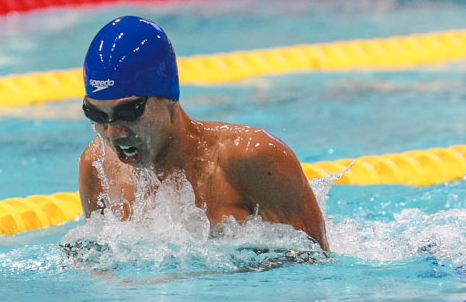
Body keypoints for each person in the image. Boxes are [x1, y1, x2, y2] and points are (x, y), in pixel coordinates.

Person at [78, 16, 329, 251]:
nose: (113, 132)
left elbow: (313, 267)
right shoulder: (98, 165)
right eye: (97, 116)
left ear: (169, 98)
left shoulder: (252, 158)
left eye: (128, 112)